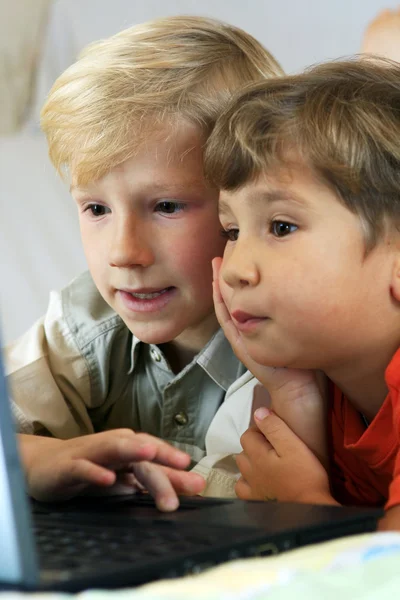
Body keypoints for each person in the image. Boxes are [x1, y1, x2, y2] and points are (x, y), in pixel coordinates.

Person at [6, 15, 284, 511]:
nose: (123, 252)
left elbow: (227, 508)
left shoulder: (284, 347)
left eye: (166, 206)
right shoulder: (85, 322)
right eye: (96, 209)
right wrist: (38, 460)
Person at [197, 56, 400, 530]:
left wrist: (304, 505)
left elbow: (387, 574)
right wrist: (290, 393)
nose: (235, 270)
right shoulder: (318, 379)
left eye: (281, 226)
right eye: (231, 231)